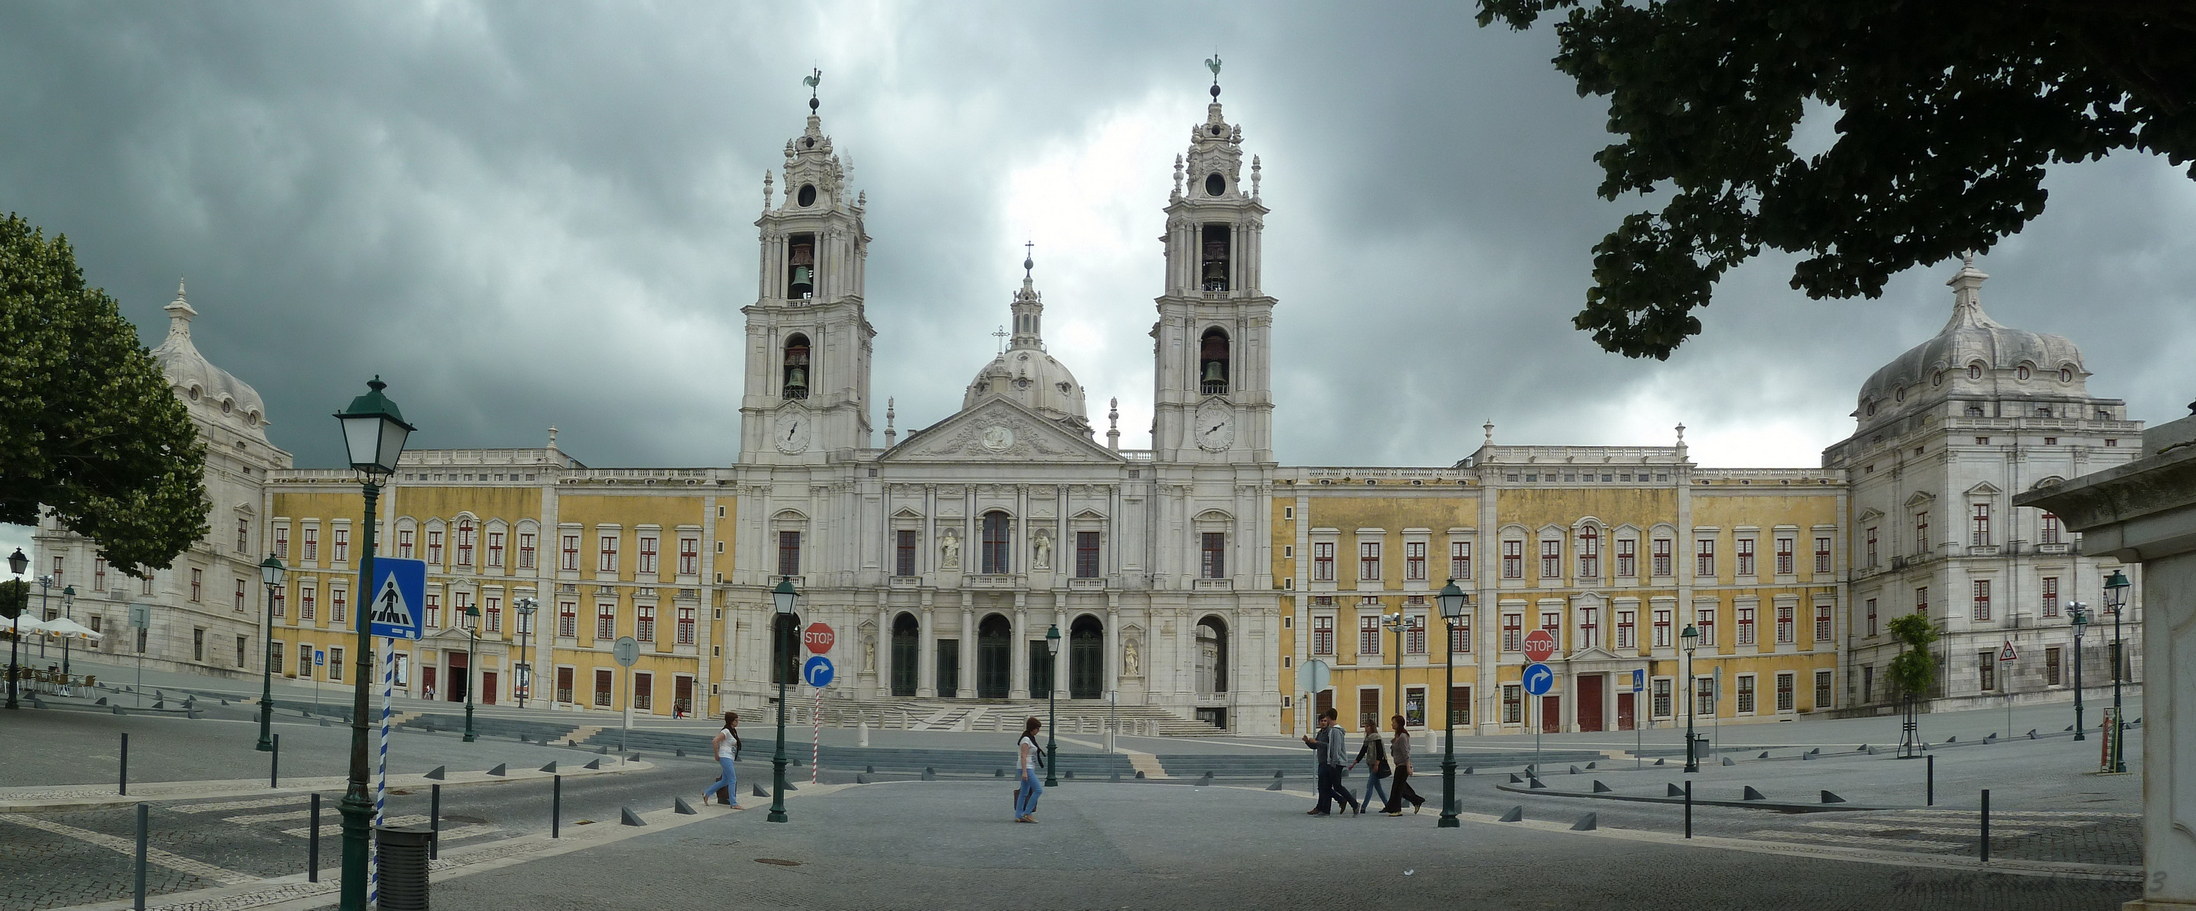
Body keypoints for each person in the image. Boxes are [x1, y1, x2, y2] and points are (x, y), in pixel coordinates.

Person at [1300, 707, 1357, 816]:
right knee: (1325, 786)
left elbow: (1333, 747)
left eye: (1325, 720)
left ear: (1329, 719)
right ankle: (1326, 807)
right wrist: (1308, 742)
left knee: (1329, 786)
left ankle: (1343, 803)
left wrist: (1333, 763)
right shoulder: (1322, 732)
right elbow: (1316, 745)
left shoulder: (1333, 731)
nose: (1323, 722)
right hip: (1325, 762)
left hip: (1330, 763)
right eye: (1321, 720)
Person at [1380, 714, 1426, 815]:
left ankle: (1397, 809)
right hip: (1399, 764)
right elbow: (1395, 752)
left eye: (1394, 722)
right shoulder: (1397, 736)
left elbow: (1406, 753)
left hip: (1403, 765)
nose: (1392, 724)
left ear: (1399, 724)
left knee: (1397, 788)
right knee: (1401, 787)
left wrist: (1408, 767)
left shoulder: (1403, 737)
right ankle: (1417, 801)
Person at [1346, 720, 1389, 817]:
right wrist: (1355, 762)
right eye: (1365, 726)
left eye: (1367, 726)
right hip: (1370, 764)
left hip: (1376, 764)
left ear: (1371, 727)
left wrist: (1377, 764)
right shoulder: (1368, 739)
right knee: (1377, 787)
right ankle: (1387, 805)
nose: (1365, 728)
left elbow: (1380, 752)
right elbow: (1363, 751)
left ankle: (1364, 807)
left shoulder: (1376, 737)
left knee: (1369, 785)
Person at [702, 711, 743, 809]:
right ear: (731, 721)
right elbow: (715, 741)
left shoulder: (732, 730)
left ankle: (707, 793)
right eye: (735, 720)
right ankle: (733, 803)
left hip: (730, 757)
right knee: (732, 779)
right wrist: (716, 754)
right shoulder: (726, 731)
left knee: (725, 780)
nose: (737, 722)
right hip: (725, 756)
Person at [1015, 716, 1045, 823]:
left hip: (1028, 766)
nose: (1038, 731)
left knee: (1024, 792)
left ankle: (1019, 815)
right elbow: (1023, 755)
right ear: (1033, 728)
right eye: (1037, 728)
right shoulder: (1026, 739)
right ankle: (1027, 813)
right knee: (1038, 790)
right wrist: (1024, 771)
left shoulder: (1029, 738)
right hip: (1026, 767)